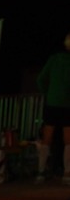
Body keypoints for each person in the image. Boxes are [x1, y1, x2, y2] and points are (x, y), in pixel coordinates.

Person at [35, 32, 70, 182]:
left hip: (52, 103)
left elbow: (40, 79)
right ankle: (67, 173)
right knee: (68, 140)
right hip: (68, 105)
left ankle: (41, 172)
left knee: (47, 138)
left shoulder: (54, 59)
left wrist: (48, 93)